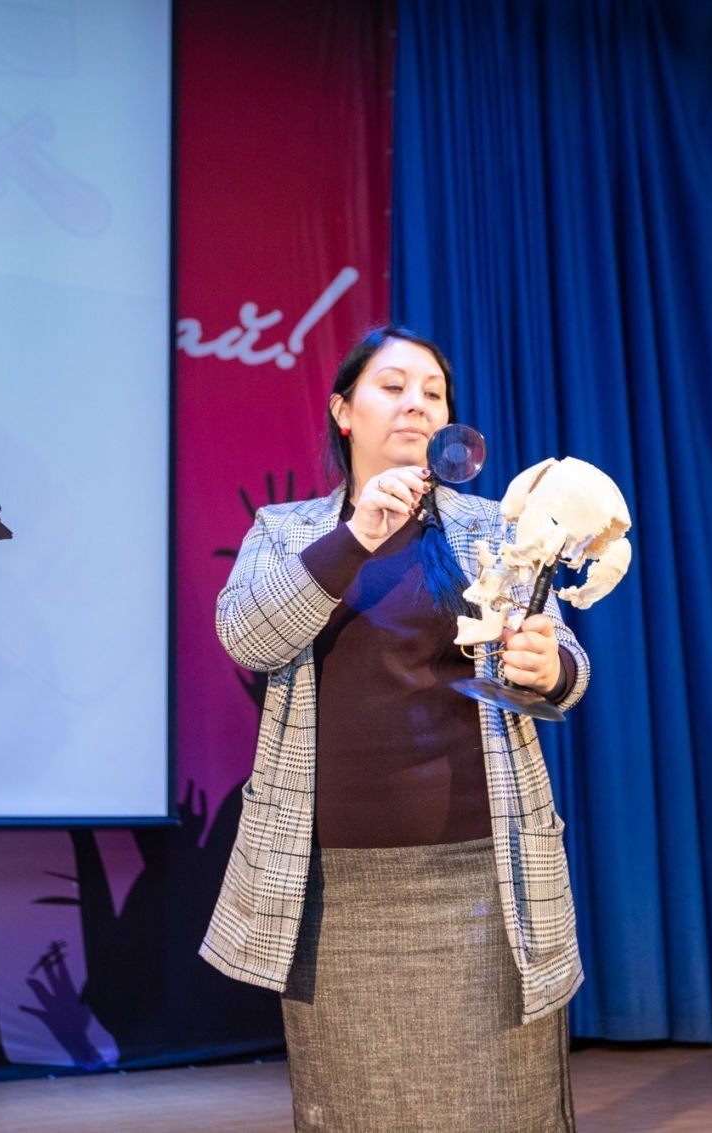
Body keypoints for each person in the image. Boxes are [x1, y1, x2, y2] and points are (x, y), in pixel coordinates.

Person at [201, 326, 588, 1132]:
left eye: (433, 392)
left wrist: (548, 666)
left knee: (504, 1108)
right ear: (344, 411)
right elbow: (248, 637)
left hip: (483, 878)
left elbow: (568, 665)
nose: (417, 403)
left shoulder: (494, 526)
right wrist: (356, 537)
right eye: (393, 385)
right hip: (334, 888)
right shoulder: (285, 531)